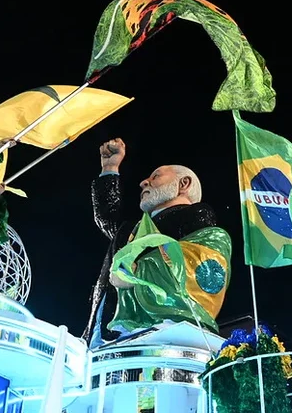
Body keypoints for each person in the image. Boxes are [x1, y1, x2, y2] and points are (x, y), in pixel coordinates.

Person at [82, 138, 221, 345]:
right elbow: (107, 218)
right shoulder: (133, 229)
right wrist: (110, 168)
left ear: (184, 184)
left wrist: (137, 273)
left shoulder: (195, 215)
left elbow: (197, 262)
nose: (144, 182)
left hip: (156, 331)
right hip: (102, 329)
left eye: (156, 176)